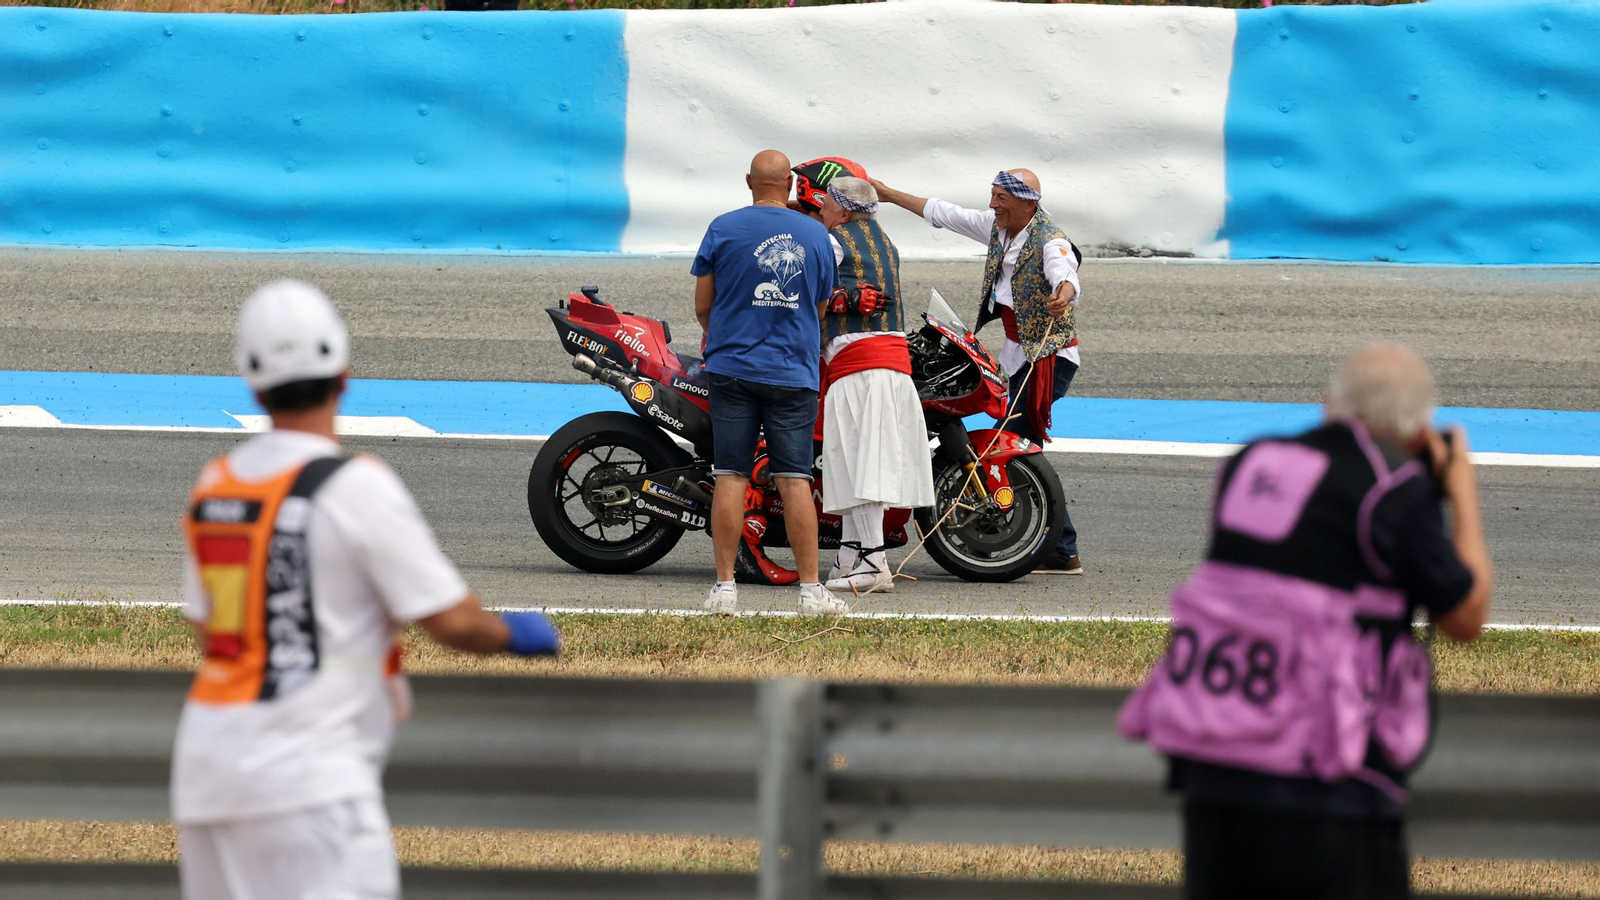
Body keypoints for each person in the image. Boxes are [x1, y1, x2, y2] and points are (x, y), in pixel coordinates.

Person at [174, 280, 561, 900]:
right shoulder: (354, 486)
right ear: (344, 375)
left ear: (252, 383)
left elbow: (209, 626)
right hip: (311, 778)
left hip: (207, 769)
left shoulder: (214, 487)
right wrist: (514, 633)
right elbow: (452, 623)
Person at [1118, 344, 1494, 900]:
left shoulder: (1251, 463)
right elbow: (1465, 615)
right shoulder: (1394, 488)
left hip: (1215, 772)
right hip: (1327, 788)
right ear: (1419, 435)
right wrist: (1459, 492)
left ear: (1328, 406)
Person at [874, 169, 1085, 574]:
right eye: (992, 196)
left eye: (1001, 198)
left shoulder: (1050, 239)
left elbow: (1065, 271)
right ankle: (1057, 547)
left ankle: (1058, 546)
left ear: (1028, 202)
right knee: (1016, 445)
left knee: (1011, 445)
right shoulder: (997, 227)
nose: (992, 205)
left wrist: (1064, 295)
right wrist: (887, 194)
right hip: (1016, 355)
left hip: (1048, 360)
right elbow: (943, 212)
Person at [693, 150, 847, 616]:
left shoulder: (721, 227)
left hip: (731, 367)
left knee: (731, 475)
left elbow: (703, 305)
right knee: (795, 479)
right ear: (792, 186)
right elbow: (821, 307)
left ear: (748, 182)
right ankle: (811, 592)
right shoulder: (816, 234)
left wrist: (723, 335)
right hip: (791, 371)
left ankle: (723, 588)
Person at [813, 176, 936, 593]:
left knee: (860, 461)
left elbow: (806, 292)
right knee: (855, 460)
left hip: (860, 366)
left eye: (825, 206)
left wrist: (840, 300)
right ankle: (849, 556)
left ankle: (874, 563)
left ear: (843, 212)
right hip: (887, 365)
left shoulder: (833, 241)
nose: (821, 211)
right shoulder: (887, 242)